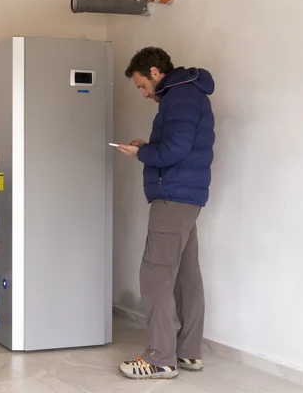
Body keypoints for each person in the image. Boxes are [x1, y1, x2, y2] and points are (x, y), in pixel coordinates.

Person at [115, 47, 215, 380]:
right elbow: (178, 145)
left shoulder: (180, 97)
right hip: (186, 195)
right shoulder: (186, 93)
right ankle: (188, 353)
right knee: (186, 274)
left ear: (156, 72)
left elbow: (175, 149)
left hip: (173, 196)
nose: (144, 94)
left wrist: (141, 151)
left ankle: (160, 357)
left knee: (155, 274)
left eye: (142, 86)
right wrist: (146, 148)